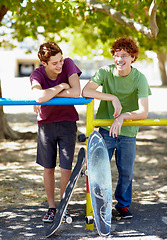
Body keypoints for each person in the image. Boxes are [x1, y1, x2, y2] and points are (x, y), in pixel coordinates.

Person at [82, 36, 151, 219]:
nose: (120, 59)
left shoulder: (139, 78)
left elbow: (144, 112)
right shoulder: (105, 71)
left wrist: (124, 116)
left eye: (125, 55)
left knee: (126, 172)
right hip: (106, 130)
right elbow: (86, 91)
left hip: (128, 132)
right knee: (100, 169)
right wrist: (112, 97)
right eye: (117, 55)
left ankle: (123, 205)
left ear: (133, 58)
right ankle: (101, 204)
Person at [30, 42, 81, 222]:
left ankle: (63, 206)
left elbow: (76, 92)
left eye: (60, 60)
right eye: (54, 63)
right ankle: (52, 208)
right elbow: (38, 96)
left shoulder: (68, 64)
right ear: (44, 63)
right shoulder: (37, 74)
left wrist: (49, 94)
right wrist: (61, 87)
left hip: (67, 123)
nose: (59, 65)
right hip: (46, 124)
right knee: (48, 167)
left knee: (66, 167)